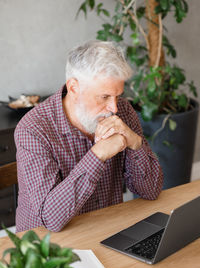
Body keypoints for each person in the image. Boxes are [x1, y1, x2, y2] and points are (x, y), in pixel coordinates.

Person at [14, 40, 163, 232]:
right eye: (104, 97)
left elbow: (151, 191)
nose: (114, 108)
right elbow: (51, 219)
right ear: (74, 88)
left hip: (105, 231)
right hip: (45, 246)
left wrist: (135, 143)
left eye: (118, 96)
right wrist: (97, 155)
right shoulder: (33, 129)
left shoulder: (123, 112)